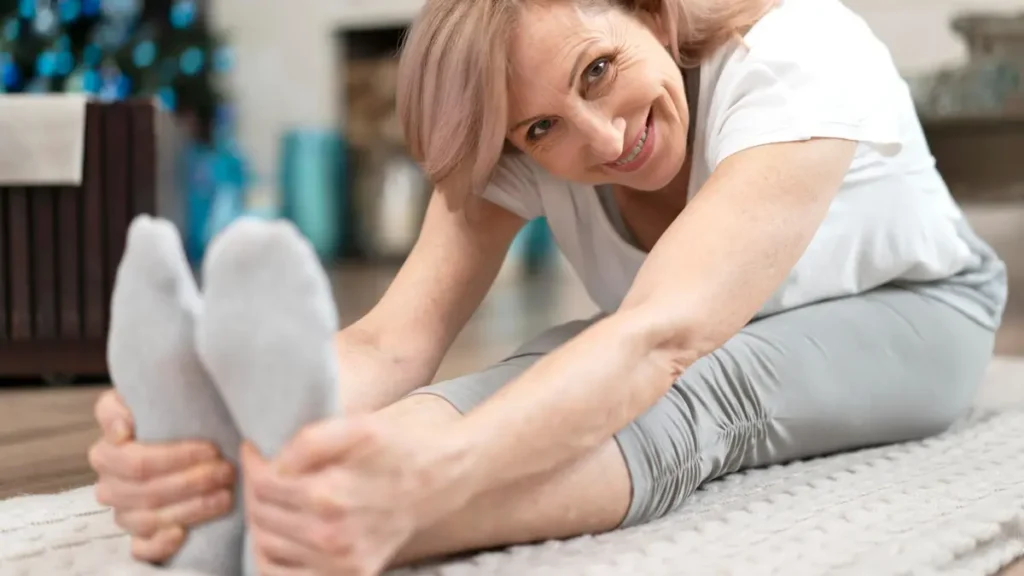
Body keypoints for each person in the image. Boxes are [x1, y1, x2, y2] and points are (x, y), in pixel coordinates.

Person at [88, 0, 1008, 574]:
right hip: (688, 333)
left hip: (919, 309)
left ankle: (331, 541)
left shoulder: (799, 53)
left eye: (598, 71)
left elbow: (662, 337)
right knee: (547, 366)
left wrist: (431, 484)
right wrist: (217, 439)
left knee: (695, 386)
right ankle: (259, 499)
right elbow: (392, 343)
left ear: (649, 11)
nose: (601, 142)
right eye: (542, 129)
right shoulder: (516, 131)